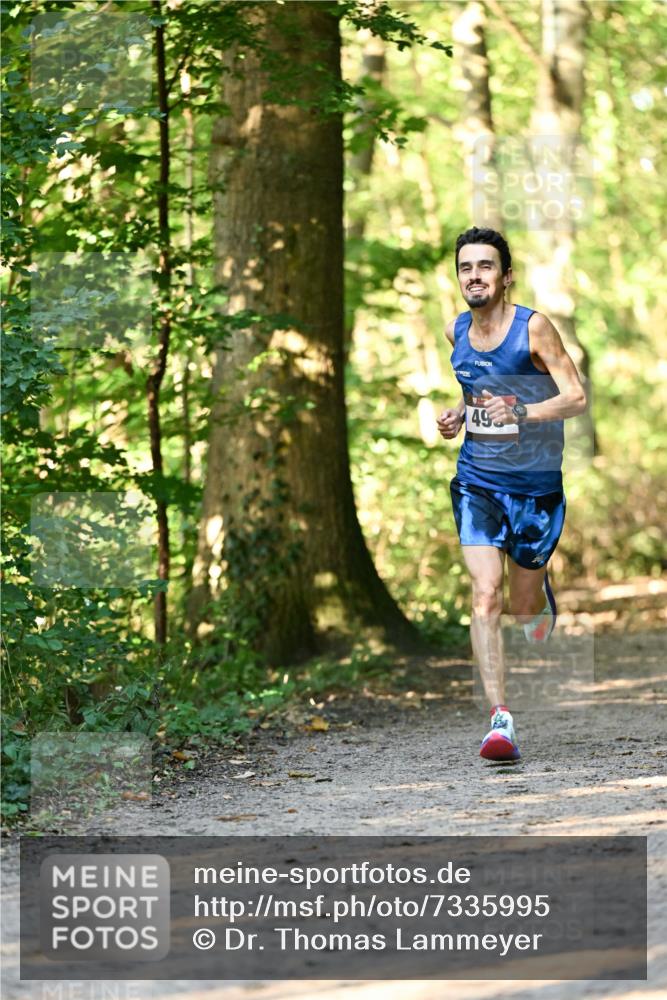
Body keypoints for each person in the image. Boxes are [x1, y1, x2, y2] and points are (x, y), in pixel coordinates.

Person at [437, 227, 586, 762]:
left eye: (485, 267)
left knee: (522, 607)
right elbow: (474, 388)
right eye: (466, 268)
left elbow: (575, 396)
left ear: (505, 277)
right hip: (479, 479)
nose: (474, 276)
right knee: (485, 595)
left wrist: (522, 411)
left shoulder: (534, 329)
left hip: (537, 487)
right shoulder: (455, 329)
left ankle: (539, 596)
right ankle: (499, 719)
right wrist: (462, 414)